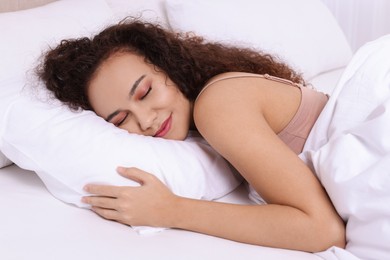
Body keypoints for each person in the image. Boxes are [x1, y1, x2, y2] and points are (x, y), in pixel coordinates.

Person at [37, 19, 345, 252]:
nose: (145, 121)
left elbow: (324, 230)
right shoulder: (211, 112)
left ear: (171, 67)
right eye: (120, 120)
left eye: (145, 92)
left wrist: (171, 210)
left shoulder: (218, 103)